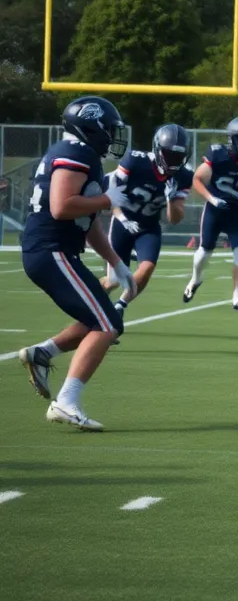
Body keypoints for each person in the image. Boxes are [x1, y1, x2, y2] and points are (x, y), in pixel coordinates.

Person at [16, 97, 139, 431]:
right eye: (109, 129)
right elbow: (61, 206)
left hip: (56, 251)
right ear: (91, 125)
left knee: (99, 317)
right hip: (51, 250)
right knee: (107, 325)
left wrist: (116, 262)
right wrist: (105, 199)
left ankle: (43, 353)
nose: (113, 135)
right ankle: (66, 402)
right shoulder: (76, 153)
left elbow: (89, 223)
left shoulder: (80, 154)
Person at [99, 124, 193, 315]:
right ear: (158, 149)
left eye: (178, 157)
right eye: (169, 155)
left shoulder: (183, 176)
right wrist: (123, 219)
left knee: (147, 266)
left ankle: (119, 307)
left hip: (149, 226)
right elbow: (113, 196)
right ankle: (94, 306)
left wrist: (170, 198)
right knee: (113, 282)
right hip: (123, 223)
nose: (174, 161)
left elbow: (174, 219)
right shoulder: (134, 161)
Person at [183, 116, 238, 311]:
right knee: (204, 251)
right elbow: (197, 179)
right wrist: (212, 199)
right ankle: (195, 280)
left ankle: (237, 297)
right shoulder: (218, 156)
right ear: (231, 139)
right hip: (215, 210)